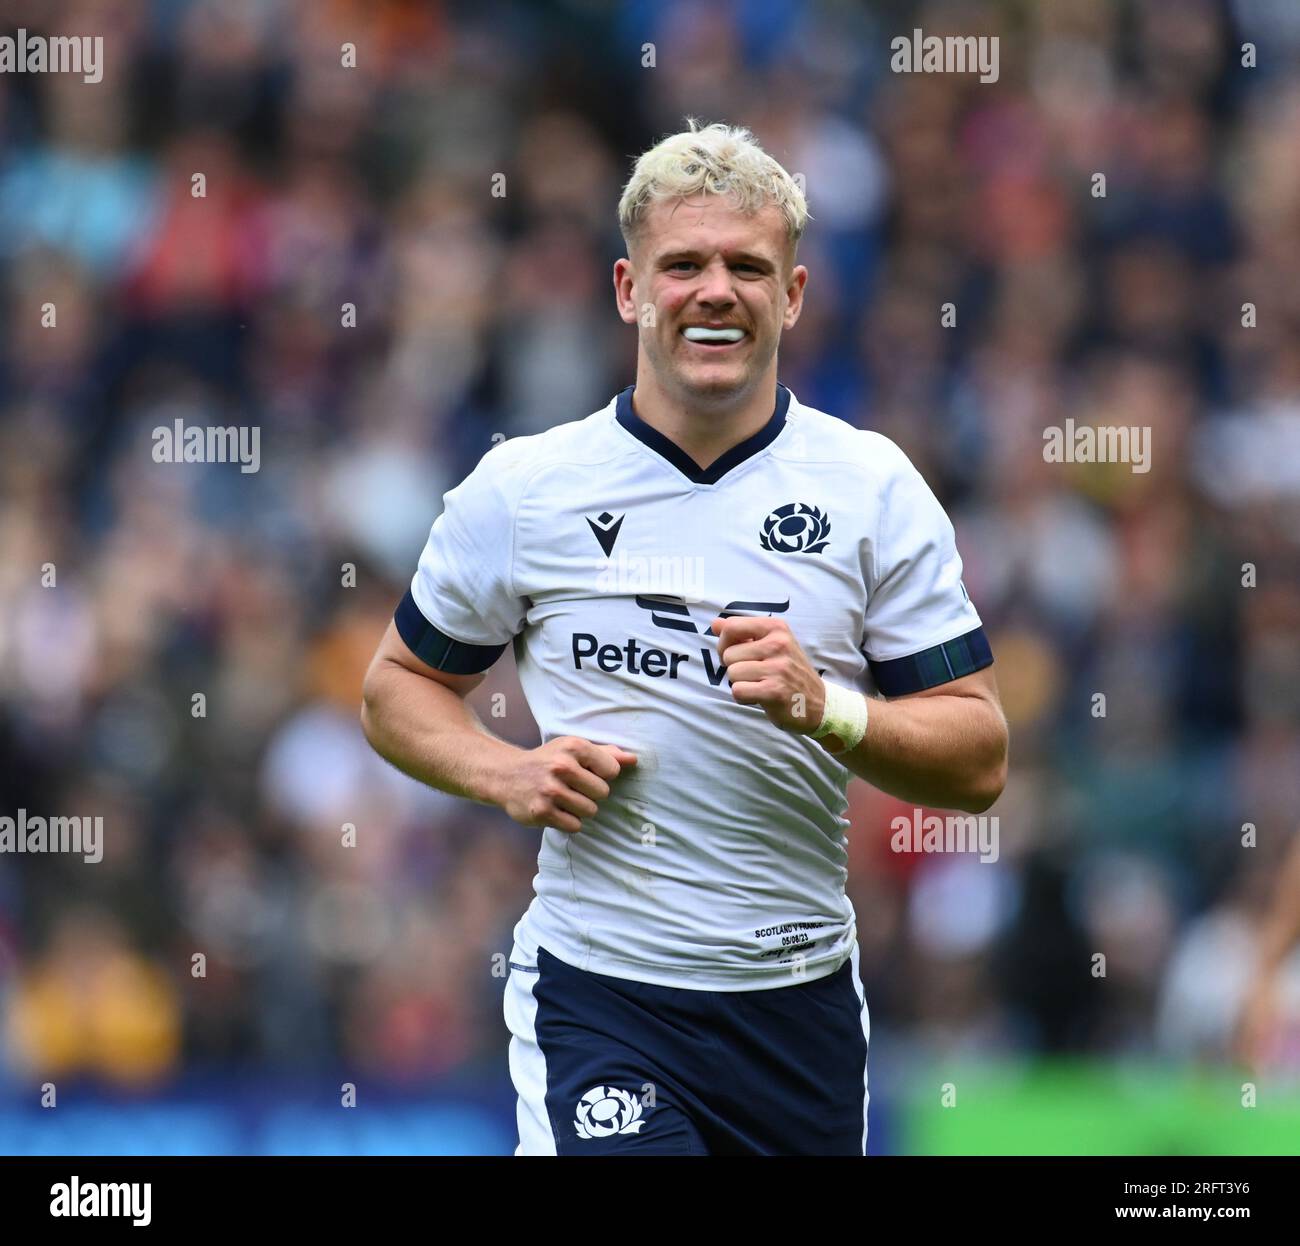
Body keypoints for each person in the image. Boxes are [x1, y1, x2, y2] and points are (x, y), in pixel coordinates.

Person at [360, 120, 1008, 1155]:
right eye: (684, 265)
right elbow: (395, 688)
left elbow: (978, 757)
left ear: (792, 295)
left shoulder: (873, 488)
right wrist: (504, 773)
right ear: (628, 289)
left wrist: (826, 706)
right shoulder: (527, 491)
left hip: (794, 1009)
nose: (716, 291)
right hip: (602, 995)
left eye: (748, 266)